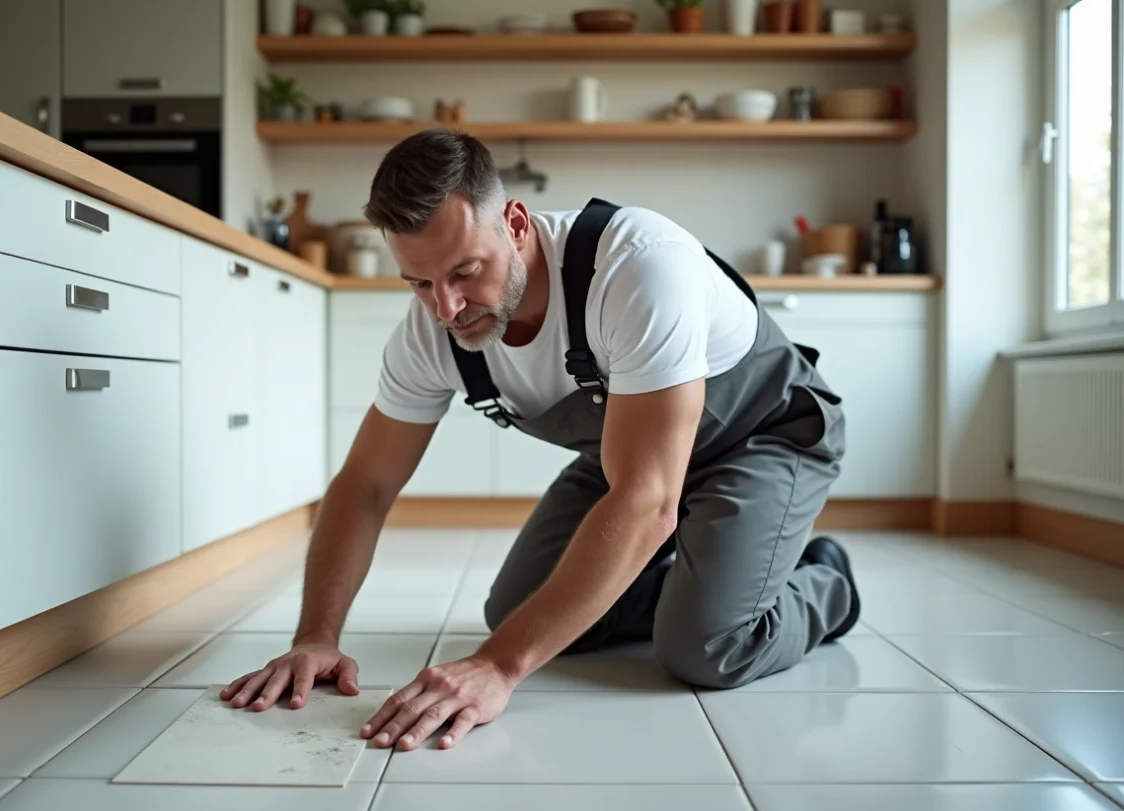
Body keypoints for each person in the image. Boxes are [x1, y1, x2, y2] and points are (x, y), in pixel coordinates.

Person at [221, 129, 860, 752]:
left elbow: (646, 500)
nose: (446, 308)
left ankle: (824, 580)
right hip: (627, 460)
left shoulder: (637, 265)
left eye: (466, 271)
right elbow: (365, 485)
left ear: (518, 223)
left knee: (705, 649)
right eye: (418, 284)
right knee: (517, 609)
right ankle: (709, 572)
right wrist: (315, 635)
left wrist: (498, 668)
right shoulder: (430, 336)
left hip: (761, 437)